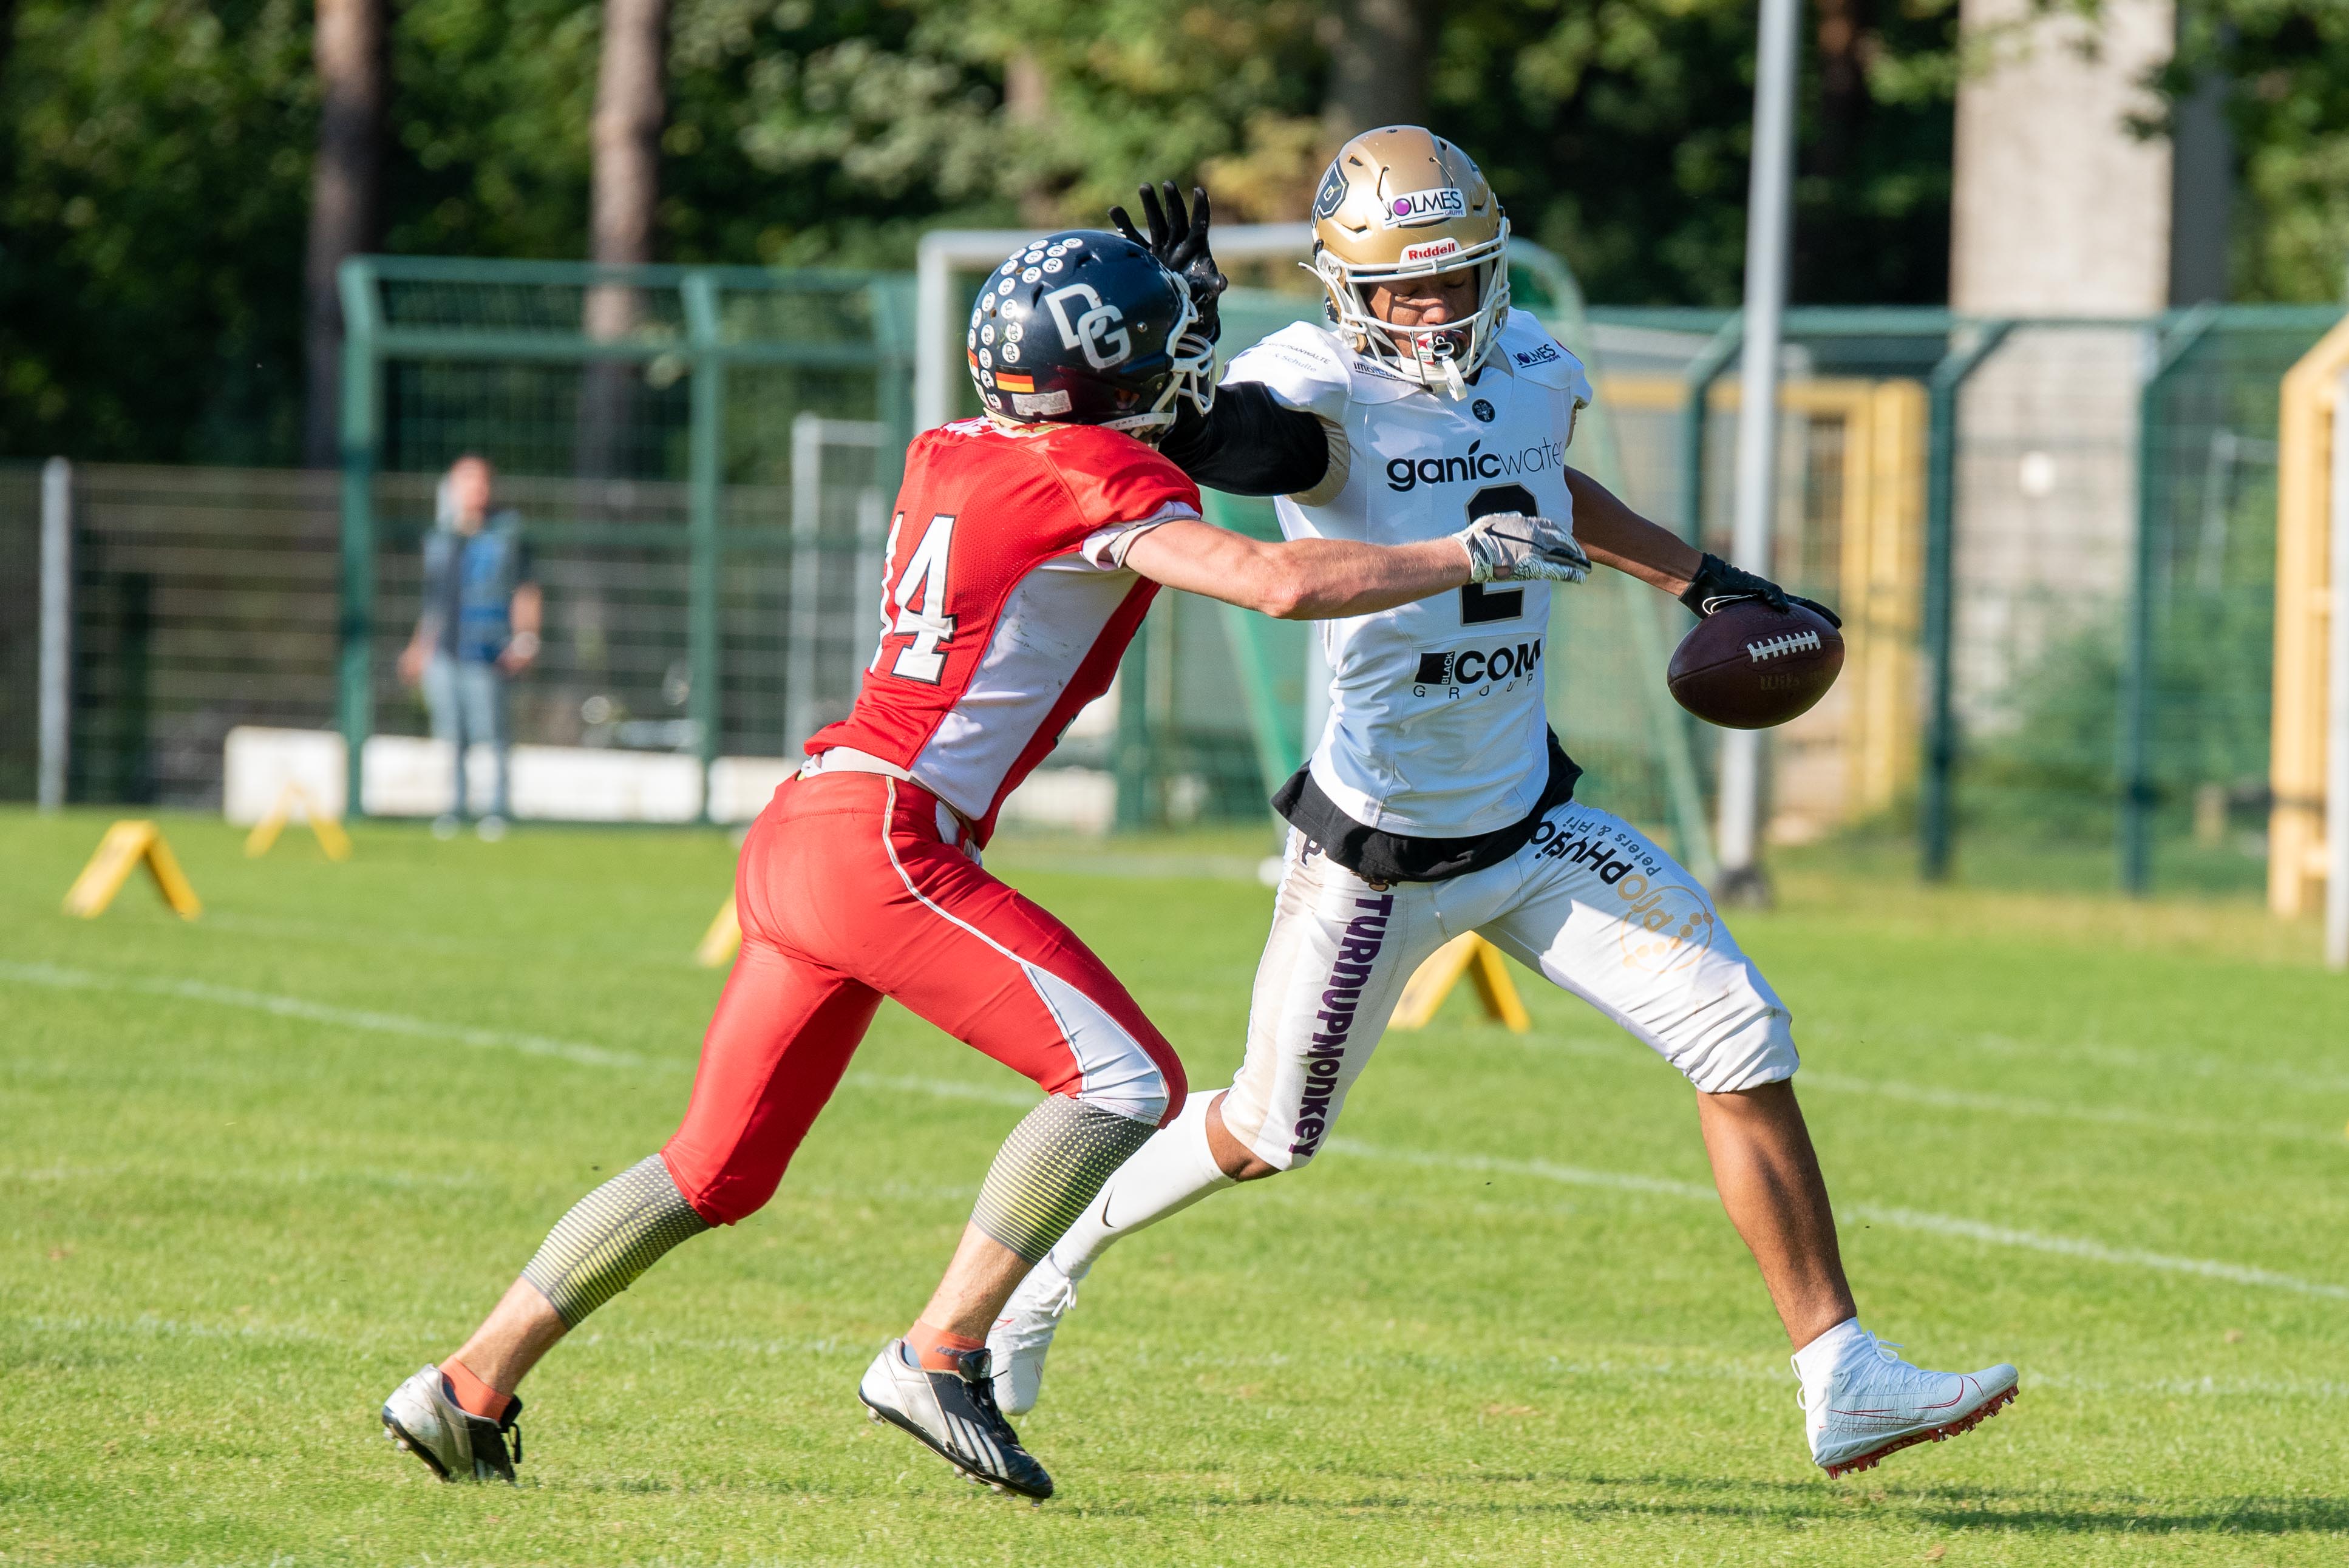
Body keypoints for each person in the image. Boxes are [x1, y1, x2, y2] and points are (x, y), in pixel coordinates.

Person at [378, 229, 1591, 1499]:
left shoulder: (951, 445)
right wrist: (1469, 549)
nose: (1195, 364)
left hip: (808, 822)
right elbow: (1269, 581)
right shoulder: (1089, 477)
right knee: (1127, 1082)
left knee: (709, 1170)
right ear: (1109, 384)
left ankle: (465, 1383)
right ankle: (938, 1351)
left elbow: (1138, 443)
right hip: (888, 838)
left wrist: (1151, 350)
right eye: (1170, 350)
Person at [988, 137, 2021, 1482]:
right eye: (1402, 292)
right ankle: (1035, 1279)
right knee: (1264, 1129)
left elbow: (1546, 487)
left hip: (1531, 823)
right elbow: (1247, 446)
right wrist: (1177, 377)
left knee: (1738, 1033)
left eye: (1454, 282)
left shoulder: (1531, 361)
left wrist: (1704, 581)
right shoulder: (1318, 382)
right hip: (1379, 849)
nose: (1431, 312)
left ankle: (1842, 1375)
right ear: (1345, 289)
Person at [397, 454, 540, 840]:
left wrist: (526, 639)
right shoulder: (442, 537)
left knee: (491, 732)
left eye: (480, 481)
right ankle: (455, 808)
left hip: (488, 649)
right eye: (465, 481)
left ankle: (496, 809)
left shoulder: (508, 533)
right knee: (452, 733)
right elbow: (434, 604)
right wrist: (418, 648)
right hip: (446, 651)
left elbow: (526, 589)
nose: (474, 490)